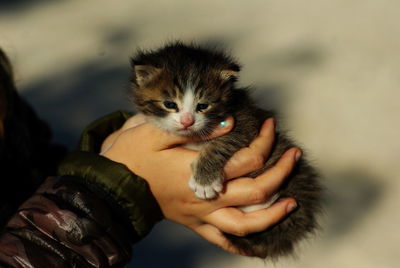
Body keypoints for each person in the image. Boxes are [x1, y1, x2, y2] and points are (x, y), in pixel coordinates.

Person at [0, 48, 299, 267]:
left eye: (202, 107)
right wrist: (116, 190)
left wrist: (105, 156)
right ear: (142, 81)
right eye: (170, 104)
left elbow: (42, 166)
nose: (186, 121)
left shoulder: (13, 122)